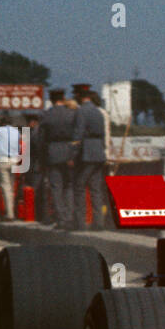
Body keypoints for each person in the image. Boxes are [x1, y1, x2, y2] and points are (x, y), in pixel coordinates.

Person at [39, 88, 78, 228]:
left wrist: (42, 157)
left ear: (51, 99)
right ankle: (69, 217)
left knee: (56, 187)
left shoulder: (46, 115)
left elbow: (40, 139)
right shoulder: (72, 114)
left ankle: (61, 218)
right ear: (63, 97)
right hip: (69, 151)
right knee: (69, 186)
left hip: (52, 151)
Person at [71, 90, 110, 229]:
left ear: (81, 97)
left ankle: (80, 222)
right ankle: (98, 222)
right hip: (98, 152)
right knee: (96, 188)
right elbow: (104, 134)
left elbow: (78, 134)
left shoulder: (81, 112)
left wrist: (73, 153)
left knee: (80, 186)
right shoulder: (99, 112)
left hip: (87, 153)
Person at [0, 115, 20, 221]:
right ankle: (13, 211)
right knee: (12, 187)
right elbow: (18, 147)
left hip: (3, 160)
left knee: (5, 187)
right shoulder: (16, 132)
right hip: (14, 160)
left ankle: (9, 214)